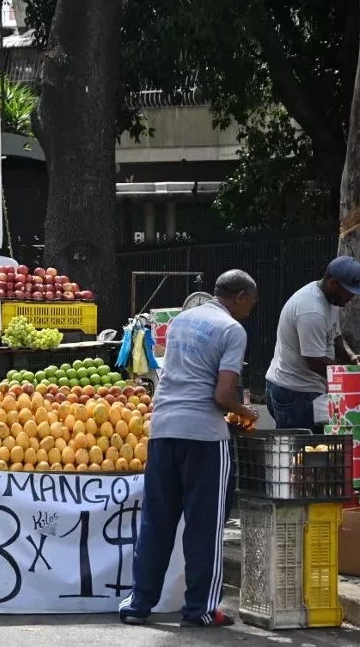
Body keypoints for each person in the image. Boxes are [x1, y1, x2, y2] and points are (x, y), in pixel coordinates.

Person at [120, 269, 260, 628]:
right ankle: (200, 607)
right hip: (204, 438)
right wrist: (247, 412)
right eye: (252, 302)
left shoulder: (182, 321)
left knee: (157, 520)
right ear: (240, 297)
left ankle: (139, 603)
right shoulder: (232, 330)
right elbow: (223, 395)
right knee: (205, 525)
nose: (251, 309)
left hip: (163, 428)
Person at [264, 256, 360, 434]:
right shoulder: (312, 310)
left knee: (316, 454)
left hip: (306, 390)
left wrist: (351, 357)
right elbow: (314, 361)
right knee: (303, 455)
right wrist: (348, 379)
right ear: (333, 283)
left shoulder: (331, 300)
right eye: (349, 291)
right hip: (295, 393)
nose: (352, 297)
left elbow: (335, 336)